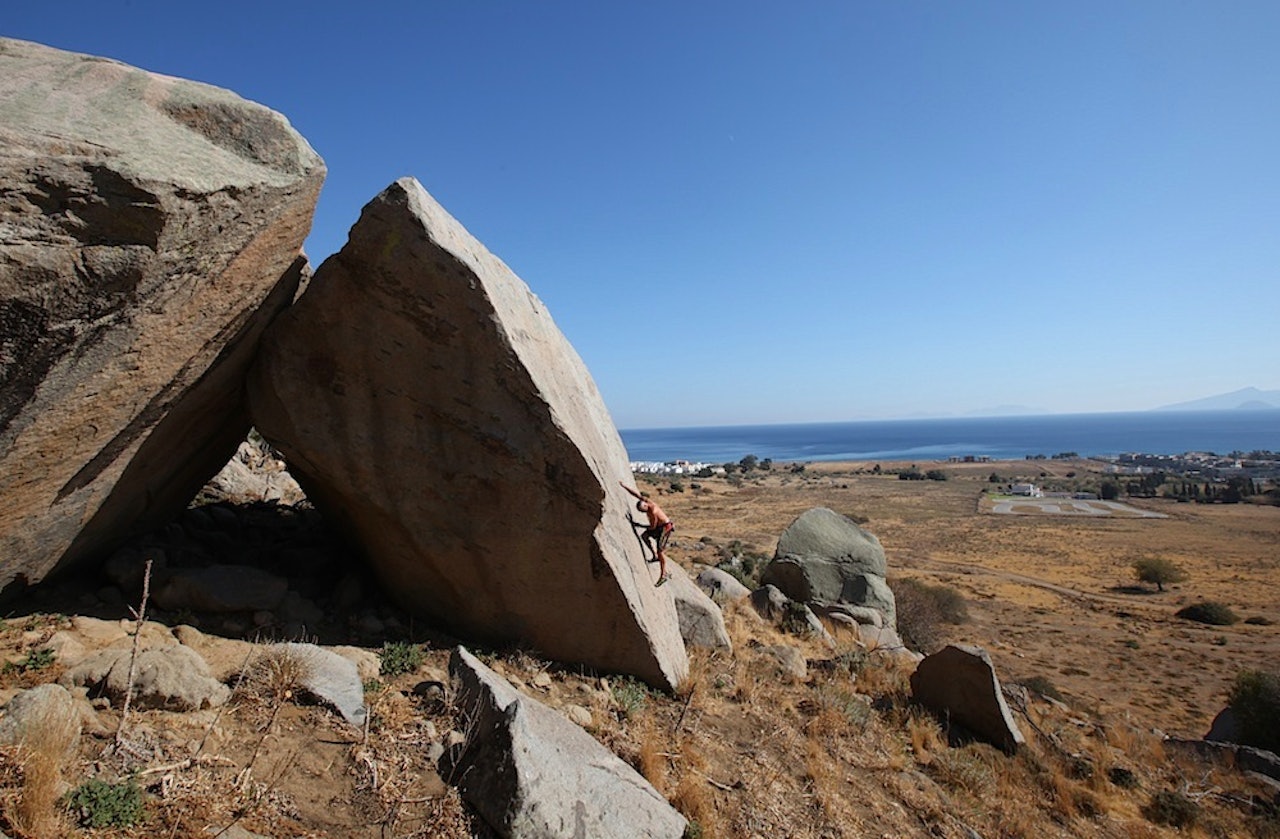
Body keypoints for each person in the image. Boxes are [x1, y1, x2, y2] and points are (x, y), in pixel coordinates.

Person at [619, 482, 674, 586]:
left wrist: (639, 525)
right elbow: (636, 495)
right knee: (644, 536)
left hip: (665, 527)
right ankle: (654, 556)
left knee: (660, 550)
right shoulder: (647, 502)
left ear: (645, 506)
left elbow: (652, 527)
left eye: (643, 511)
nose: (643, 513)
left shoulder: (652, 511)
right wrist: (624, 486)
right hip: (659, 527)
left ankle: (663, 574)